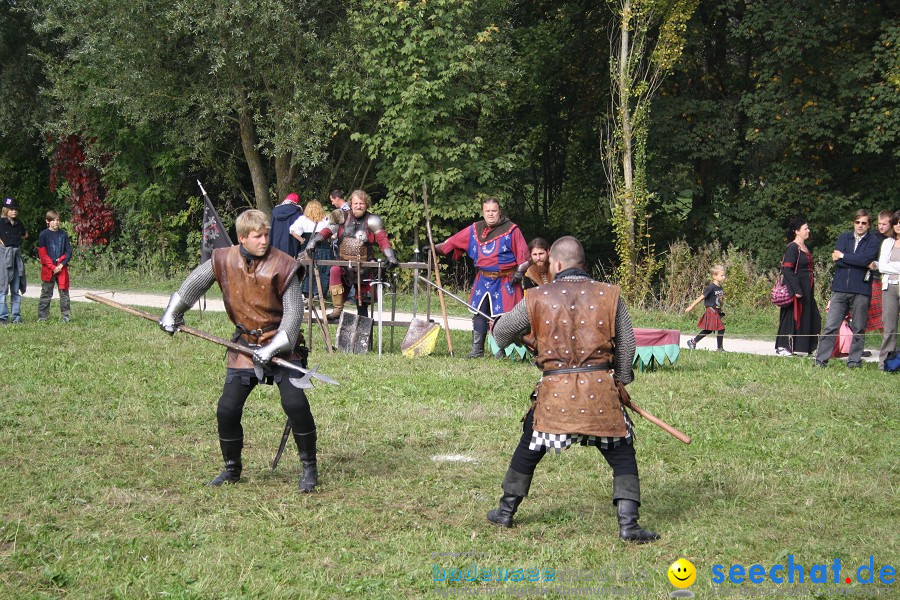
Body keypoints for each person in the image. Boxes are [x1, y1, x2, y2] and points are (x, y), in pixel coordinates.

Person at [487, 236, 658, 542]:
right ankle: (628, 525)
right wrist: (619, 380)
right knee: (622, 454)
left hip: (555, 392)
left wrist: (525, 341)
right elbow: (627, 344)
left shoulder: (536, 296)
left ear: (557, 264)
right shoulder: (610, 294)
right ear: (582, 262)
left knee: (530, 446)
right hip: (601, 391)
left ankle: (505, 511)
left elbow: (499, 333)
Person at [159, 209, 320, 492]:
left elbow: (293, 318)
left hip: (282, 346)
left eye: (267, 234)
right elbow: (192, 286)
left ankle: (309, 467)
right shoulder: (223, 259)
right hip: (244, 346)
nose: (265, 240)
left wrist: (272, 348)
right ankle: (232, 469)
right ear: (242, 238)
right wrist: (173, 312)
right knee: (227, 409)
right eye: (258, 236)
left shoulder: (284, 265)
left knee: (295, 405)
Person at [436, 197, 529, 358]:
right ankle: (477, 350)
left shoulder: (512, 230)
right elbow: (453, 242)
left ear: (499, 211)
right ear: (483, 212)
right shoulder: (475, 229)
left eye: (494, 211)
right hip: (483, 279)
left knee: (501, 316)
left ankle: (501, 351)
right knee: (479, 313)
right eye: (487, 211)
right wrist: (434, 248)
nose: (491, 214)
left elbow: (525, 256)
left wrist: (519, 273)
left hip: (505, 280)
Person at [305, 189, 399, 322]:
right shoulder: (341, 217)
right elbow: (328, 230)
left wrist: (390, 255)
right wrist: (314, 241)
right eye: (356, 203)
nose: (358, 206)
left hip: (364, 266)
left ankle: (363, 325)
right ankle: (337, 309)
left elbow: (382, 239)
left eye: (361, 203)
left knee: (362, 302)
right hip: (343, 263)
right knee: (334, 270)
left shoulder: (372, 220)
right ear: (351, 203)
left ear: (366, 204)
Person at [813, 210, 881, 368]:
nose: (860, 225)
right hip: (840, 288)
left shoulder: (874, 241)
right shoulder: (844, 237)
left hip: (861, 290)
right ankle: (820, 360)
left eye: (864, 223)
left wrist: (844, 256)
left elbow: (866, 259)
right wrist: (855, 261)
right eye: (857, 222)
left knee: (858, 328)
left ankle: (854, 361)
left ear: (869, 225)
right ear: (853, 223)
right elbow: (839, 261)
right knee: (830, 326)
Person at [774, 218, 821, 356]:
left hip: (807, 288)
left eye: (808, 228)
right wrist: (797, 290)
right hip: (796, 288)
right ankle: (783, 347)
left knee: (811, 316)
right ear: (796, 231)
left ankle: (806, 347)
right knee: (791, 316)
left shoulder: (804, 247)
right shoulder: (793, 247)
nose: (808, 230)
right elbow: (787, 269)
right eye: (805, 228)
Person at [289, 199, 332, 299]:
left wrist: (301, 240)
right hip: (324, 249)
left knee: (308, 272)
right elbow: (332, 235)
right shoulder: (326, 220)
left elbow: (292, 230)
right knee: (324, 272)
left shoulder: (303, 219)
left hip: (308, 249)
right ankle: (321, 294)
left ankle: (308, 296)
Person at [874, 210, 900, 370]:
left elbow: (886, 265)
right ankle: (885, 363)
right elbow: (882, 266)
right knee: (889, 327)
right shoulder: (888, 243)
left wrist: (891, 267)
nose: (898, 226)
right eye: (896, 223)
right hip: (888, 286)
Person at [37, 210, 73, 322]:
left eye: (57, 220)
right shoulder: (43, 235)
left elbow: (68, 252)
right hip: (49, 269)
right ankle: (43, 317)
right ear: (47, 221)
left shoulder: (63, 234)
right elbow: (42, 254)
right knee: (46, 293)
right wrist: (53, 267)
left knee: (64, 293)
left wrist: (61, 265)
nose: (56, 222)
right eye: (53, 220)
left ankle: (66, 316)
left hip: (61, 268)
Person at [685, 265, 726, 351]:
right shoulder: (711, 287)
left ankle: (693, 342)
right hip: (711, 311)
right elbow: (701, 297)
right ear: (714, 276)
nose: (724, 277)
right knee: (721, 328)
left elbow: (719, 299)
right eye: (721, 275)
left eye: (724, 275)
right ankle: (720, 348)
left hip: (717, 311)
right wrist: (691, 306)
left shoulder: (720, 287)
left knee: (708, 330)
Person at [0, 197, 28, 324]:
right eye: (11, 209)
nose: (14, 211)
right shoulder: (0, 222)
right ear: (6, 210)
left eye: (16, 209)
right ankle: (3, 316)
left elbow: (25, 234)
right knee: (2, 287)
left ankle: (16, 316)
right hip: (4, 256)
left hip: (16, 255)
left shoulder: (19, 223)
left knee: (15, 288)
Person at [270, 192, 302, 257]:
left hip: (276, 245)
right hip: (290, 245)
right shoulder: (297, 213)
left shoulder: (275, 212)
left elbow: (272, 230)